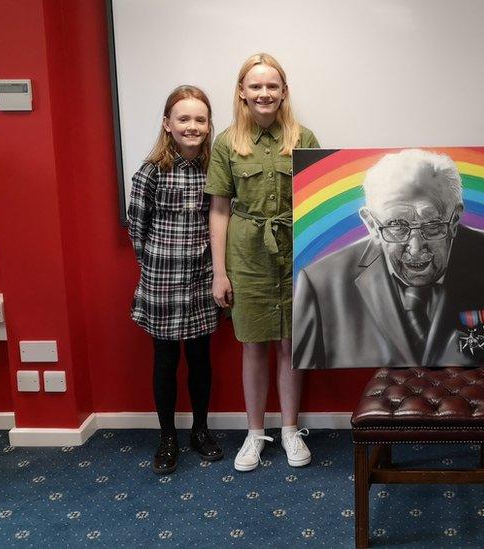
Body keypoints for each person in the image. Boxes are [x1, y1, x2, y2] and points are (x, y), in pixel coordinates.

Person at [293, 149, 484, 369]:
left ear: (456, 216)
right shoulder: (320, 284)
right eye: (396, 226)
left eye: (432, 225)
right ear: (370, 223)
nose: (416, 248)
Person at [205, 53, 320, 471]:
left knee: (291, 344)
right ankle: (255, 433)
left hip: (295, 250)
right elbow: (218, 210)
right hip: (247, 253)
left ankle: (290, 430)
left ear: (284, 91)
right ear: (242, 92)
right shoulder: (226, 142)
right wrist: (220, 272)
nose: (264, 93)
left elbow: (317, 204)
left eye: (272, 86)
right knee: (253, 345)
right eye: (255, 86)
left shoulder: (303, 138)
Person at [128, 85, 223, 475]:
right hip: (162, 280)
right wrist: (156, 265)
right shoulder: (151, 172)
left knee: (200, 359)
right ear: (168, 124)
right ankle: (167, 436)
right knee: (165, 361)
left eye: (200, 119)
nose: (192, 126)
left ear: (208, 124)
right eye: (183, 119)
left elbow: (222, 219)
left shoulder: (214, 168)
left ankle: (199, 430)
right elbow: (137, 229)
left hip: (202, 280)